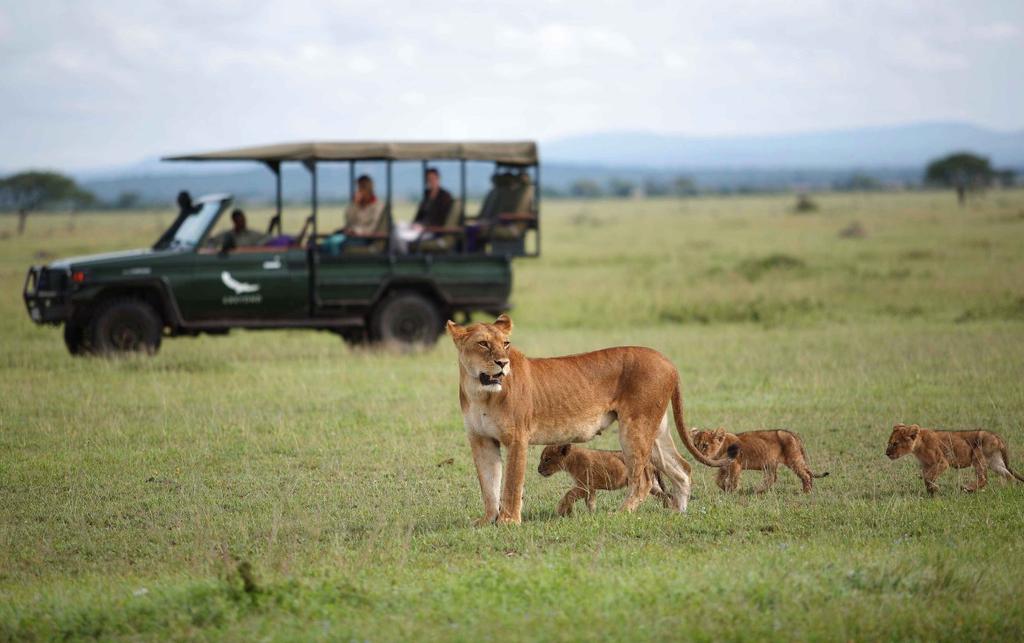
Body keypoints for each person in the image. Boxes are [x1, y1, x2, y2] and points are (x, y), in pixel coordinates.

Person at [392, 167, 454, 252]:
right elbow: (419, 215)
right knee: (396, 228)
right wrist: (414, 225)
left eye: (433, 179)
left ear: (438, 179)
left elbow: (442, 220)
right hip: (419, 227)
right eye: (428, 179)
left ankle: (405, 259)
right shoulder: (427, 195)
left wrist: (425, 227)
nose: (431, 181)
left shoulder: (445, 197)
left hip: (431, 231)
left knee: (400, 237)